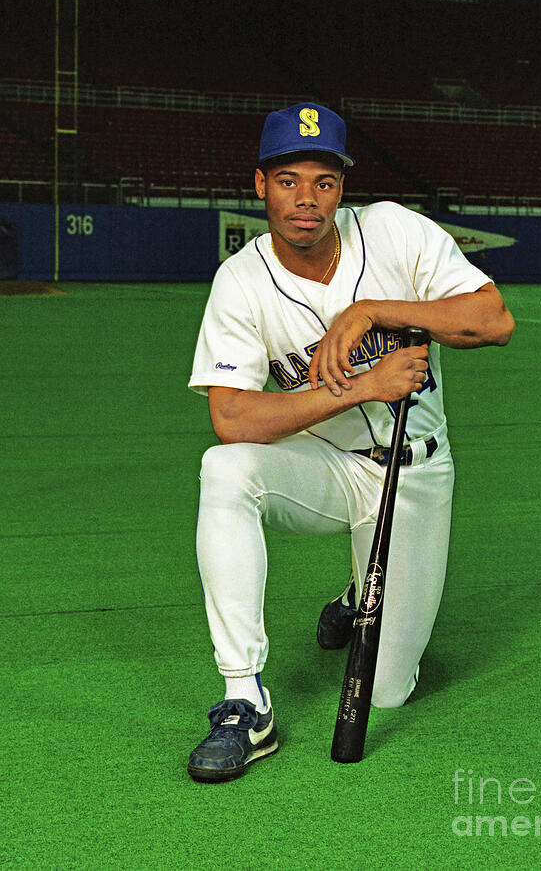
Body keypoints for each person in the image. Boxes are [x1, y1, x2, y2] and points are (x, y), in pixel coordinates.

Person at [187, 103, 514, 782]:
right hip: (325, 466)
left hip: (415, 475)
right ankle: (244, 700)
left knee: (390, 691)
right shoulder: (240, 283)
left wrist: (375, 310)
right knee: (225, 469)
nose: (306, 198)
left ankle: (353, 592)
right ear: (259, 185)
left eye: (323, 181)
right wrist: (358, 388)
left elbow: (493, 319)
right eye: (287, 180)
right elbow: (233, 419)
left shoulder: (393, 230)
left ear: (342, 188)